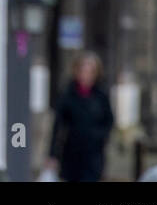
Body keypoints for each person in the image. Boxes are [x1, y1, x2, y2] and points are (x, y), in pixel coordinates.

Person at [47, 52, 115, 182]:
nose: (86, 76)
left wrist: (99, 137)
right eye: (83, 71)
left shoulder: (101, 96)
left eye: (90, 72)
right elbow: (58, 126)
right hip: (71, 155)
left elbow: (108, 121)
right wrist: (52, 154)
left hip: (93, 155)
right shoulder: (67, 95)